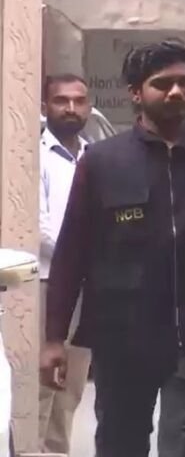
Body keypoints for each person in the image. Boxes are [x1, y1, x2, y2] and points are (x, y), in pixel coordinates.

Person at [39, 39, 185, 457]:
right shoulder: (103, 163)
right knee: (120, 442)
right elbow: (72, 254)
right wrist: (54, 338)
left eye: (184, 82)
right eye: (162, 84)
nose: (176, 92)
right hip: (122, 336)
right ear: (136, 93)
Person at [38, 73, 94, 455]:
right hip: (47, 282)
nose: (71, 108)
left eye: (79, 101)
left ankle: (57, 452)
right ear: (45, 107)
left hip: (89, 286)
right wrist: (79, 256)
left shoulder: (96, 157)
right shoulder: (32, 157)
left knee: (71, 387)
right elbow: (37, 224)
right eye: (61, 101)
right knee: (40, 384)